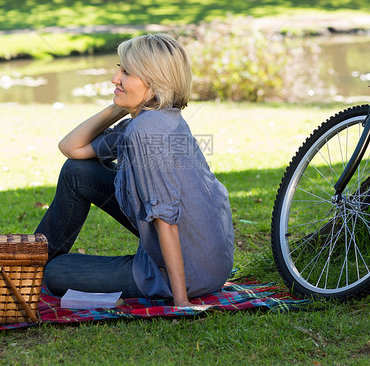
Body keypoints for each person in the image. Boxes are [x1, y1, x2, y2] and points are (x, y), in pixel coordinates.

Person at [35, 34, 234, 307]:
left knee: (54, 273)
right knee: (76, 171)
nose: (116, 78)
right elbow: (71, 148)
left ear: (154, 82)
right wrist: (120, 106)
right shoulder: (153, 119)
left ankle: (32, 269)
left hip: (186, 273)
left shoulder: (145, 131)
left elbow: (166, 216)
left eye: (126, 72)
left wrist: (181, 301)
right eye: (120, 68)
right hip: (209, 261)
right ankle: (30, 262)